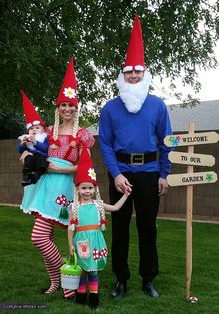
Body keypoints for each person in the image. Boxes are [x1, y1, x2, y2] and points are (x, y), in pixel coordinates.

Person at [99, 16, 173, 299]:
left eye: (137, 72)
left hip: (150, 173)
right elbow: (104, 144)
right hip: (120, 173)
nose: (133, 76)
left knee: (147, 228)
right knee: (119, 228)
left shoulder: (157, 106)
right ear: (122, 74)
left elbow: (166, 142)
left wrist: (164, 174)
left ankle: (148, 279)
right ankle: (121, 279)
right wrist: (116, 173)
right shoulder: (109, 108)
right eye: (129, 72)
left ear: (145, 74)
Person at [20, 57, 95, 298]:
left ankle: (66, 269)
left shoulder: (83, 135)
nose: (67, 109)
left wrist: (61, 170)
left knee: (39, 236)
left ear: (77, 108)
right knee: (47, 235)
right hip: (44, 184)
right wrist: (25, 156)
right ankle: (57, 282)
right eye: (63, 105)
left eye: (71, 106)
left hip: (62, 185)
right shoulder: (48, 132)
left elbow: (86, 167)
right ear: (58, 108)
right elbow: (29, 152)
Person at [68, 146, 130, 310]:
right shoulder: (74, 206)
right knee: (82, 269)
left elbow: (116, 208)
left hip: (96, 240)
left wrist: (125, 195)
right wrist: (70, 245)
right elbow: (70, 227)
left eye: (90, 188)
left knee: (93, 270)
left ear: (95, 189)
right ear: (78, 189)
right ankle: (81, 295)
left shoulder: (98, 205)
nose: (87, 191)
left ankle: (94, 296)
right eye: (83, 188)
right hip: (81, 241)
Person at [18, 90, 49, 186]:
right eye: (31, 128)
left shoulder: (44, 137)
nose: (34, 130)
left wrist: (36, 142)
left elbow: (46, 148)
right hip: (31, 156)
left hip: (41, 156)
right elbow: (19, 150)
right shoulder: (27, 138)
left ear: (43, 130)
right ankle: (26, 176)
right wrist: (22, 144)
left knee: (42, 163)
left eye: (37, 128)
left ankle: (37, 175)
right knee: (28, 159)